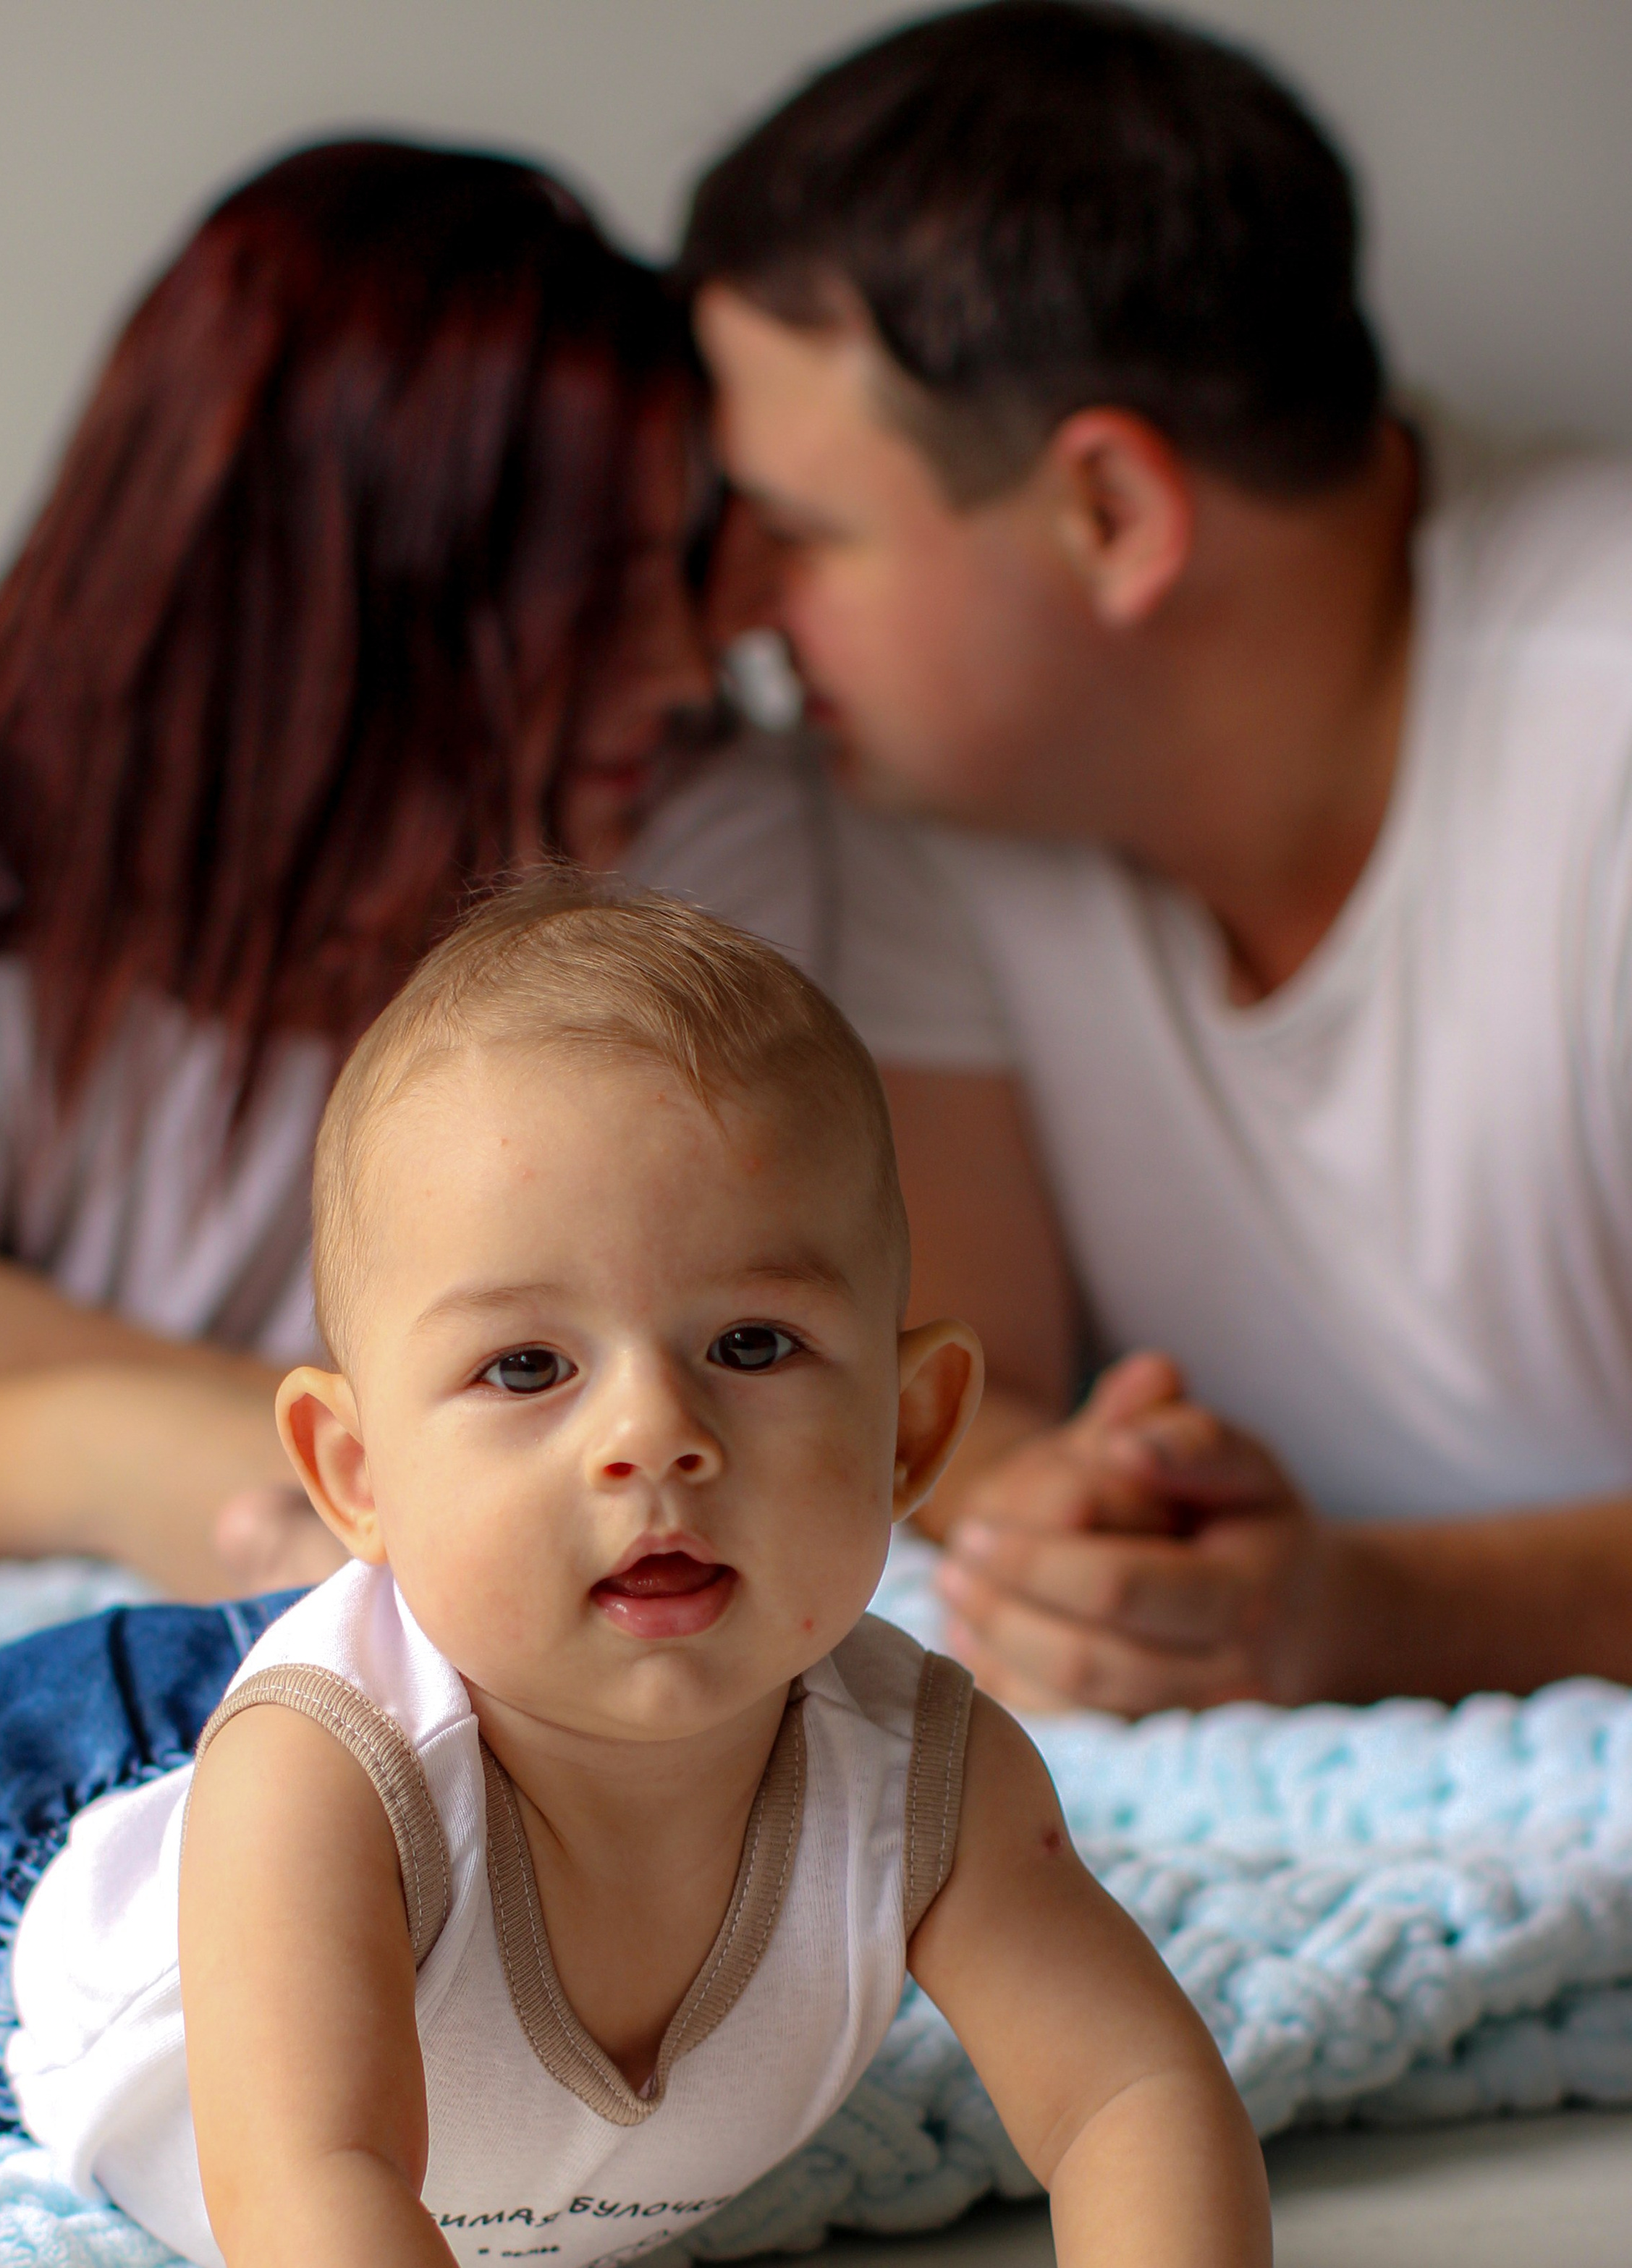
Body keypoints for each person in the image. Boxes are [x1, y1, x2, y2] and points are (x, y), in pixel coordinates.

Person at [0, 880, 1285, 2268]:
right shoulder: (314, 1792)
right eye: (524, 1367)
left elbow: (1133, 2095)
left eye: (749, 1343)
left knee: (452, 1614)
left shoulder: (930, 1775)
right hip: (39, 1842)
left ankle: (327, 1565)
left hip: (469, 1633)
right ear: (355, 1463)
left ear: (911, 1435)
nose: (650, 1435)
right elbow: (305, 2183)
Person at [682, 0, 1632, 1714]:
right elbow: (967, 1380)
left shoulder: (1600, 742)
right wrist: (1059, 1513)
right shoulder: (939, 786)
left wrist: (1368, 1617)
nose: (739, 614)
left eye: (804, 537)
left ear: (1107, 515)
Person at [0, 135, 722, 1620]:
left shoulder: (669, 856)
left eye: (681, 574)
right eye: (597, 596)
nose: (680, 669)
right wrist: (84, 1433)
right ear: (353, 601)